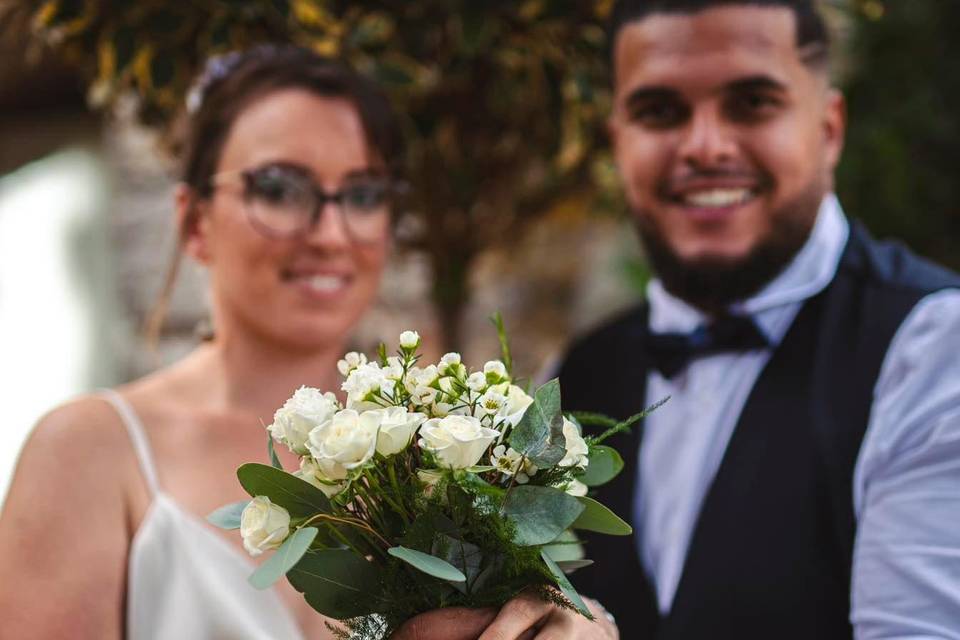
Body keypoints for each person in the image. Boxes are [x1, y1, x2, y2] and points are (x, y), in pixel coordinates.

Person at [0, 46, 616, 640]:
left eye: (364, 194)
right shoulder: (89, 449)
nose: (328, 233)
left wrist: (564, 620)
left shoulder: (444, 452)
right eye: (278, 188)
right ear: (195, 223)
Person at [557, 1, 960, 638]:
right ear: (617, 141)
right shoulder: (579, 369)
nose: (705, 147)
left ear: (828, 129)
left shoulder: (935, 350)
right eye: (660, 111)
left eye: (752, 103)